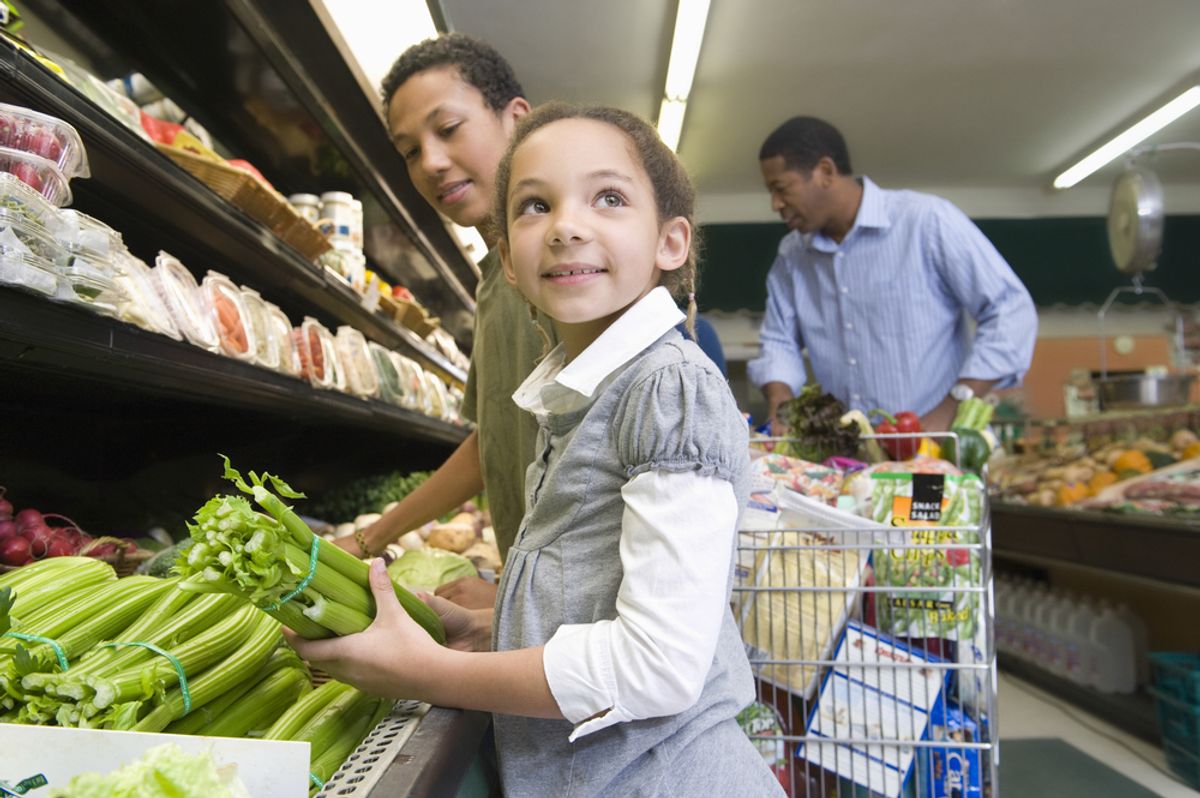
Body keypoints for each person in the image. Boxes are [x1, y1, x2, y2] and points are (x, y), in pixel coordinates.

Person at [289, 103, 783, 797]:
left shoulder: (668, 389)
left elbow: (657, 665)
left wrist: (421, 671)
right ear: (508, 262)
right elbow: (604, 591)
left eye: (608, 198)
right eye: (533, 206)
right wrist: (495, 627)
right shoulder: (580, 398)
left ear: (671, 242)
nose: (567, 227)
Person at [331, 34, 553, 609]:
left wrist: (518, 600)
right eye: (409, 150)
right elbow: (494, 442)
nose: (430, 162)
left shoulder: (569, 269)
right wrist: (366, 539)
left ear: (516, 120)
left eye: (448, 129)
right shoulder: (491, 283)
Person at [748, 116, 1037, 432]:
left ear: (825, 172)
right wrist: (781, 402)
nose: (775, 204)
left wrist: (952, 407)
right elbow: (779, 340)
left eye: (781, 188)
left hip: (938, 446)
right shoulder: (792, 256)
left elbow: (1011, 311)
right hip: (848, 454)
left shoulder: (927, 222)